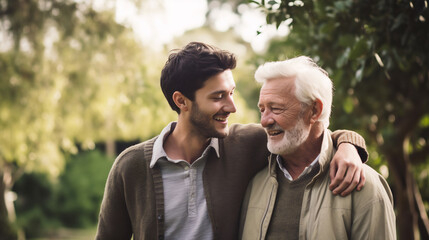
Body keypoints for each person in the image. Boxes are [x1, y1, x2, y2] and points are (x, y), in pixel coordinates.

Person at [96, 42, 368, 240]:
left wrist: (348, 145)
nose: (232, 107)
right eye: (218, 97)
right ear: (181, 101)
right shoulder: (130, 166)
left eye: (231, 93)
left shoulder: (245, 144)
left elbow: (309, 132)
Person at [239, 56, 396, 239]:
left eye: (276, 108)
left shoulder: (365, 186)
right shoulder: (254, 183)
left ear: (314, 111)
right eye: (262, 109)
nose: (264, 121)